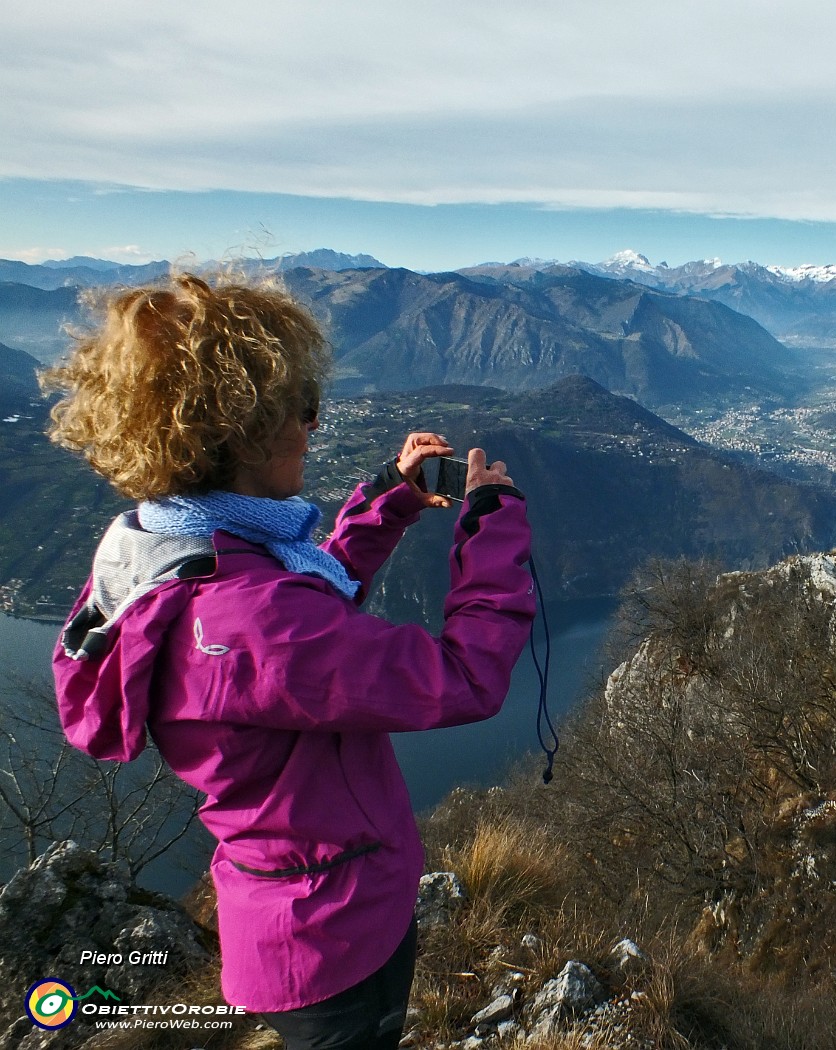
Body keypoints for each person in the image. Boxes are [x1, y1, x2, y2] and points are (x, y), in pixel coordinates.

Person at [45, 272, 536, 1049]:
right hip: (337, 935)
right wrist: (494, 529)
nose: (312, 430)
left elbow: (304, 620)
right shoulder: (248, 619)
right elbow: (465, 678)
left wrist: (389, 499)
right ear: (245, 431)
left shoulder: (173, 555)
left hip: (278, 909)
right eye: (302, 411)